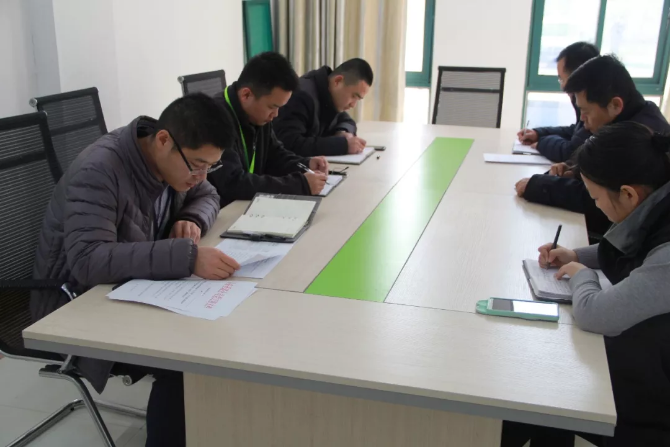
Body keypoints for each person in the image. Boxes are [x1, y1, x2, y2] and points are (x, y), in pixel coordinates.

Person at [31, 93, 241, 447]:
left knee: (222, 331)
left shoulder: (175, 162)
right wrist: (187, 257)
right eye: (197, 165)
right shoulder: (100, 170)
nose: (201, 176)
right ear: (163, 140)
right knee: (188, 360)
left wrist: (191, 218)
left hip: (129, 287)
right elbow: (88, 260)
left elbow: (209, 195)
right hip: (73, 303)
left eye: (210, 166)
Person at [504, 122, 670, 447]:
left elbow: (596, 314)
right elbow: (634, 248)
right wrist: (576, 255)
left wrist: (581, 273)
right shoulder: (658, 203)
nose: (595, 206)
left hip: (655, 402)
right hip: (651, 359)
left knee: (546, 383)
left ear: (628, 194)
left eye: (595, 197)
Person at [515, 55, 670, 238]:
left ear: (615, 105)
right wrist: (575, 169)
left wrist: (540, 186)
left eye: (586, 111)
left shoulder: (634, 137)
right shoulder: (636, 114)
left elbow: (603, 203)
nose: (581, 119)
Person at [208, 52, 329, 206]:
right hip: (224, 210)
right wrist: (299, 185)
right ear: (246, 95)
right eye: (272, 107)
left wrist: (305, 164)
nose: (276, 114)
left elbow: (274, 155)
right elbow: (232, 183)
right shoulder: (215, 119)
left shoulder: (257, 115)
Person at [516, 42, 599, 162]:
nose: (562, 87)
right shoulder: (587, 100)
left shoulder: (596, 104)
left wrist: (542, 143)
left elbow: (570, 151)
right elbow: (576, 131)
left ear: (576, 76)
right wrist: (538, 133)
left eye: (562, 79)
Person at [273, 58, 373, 156]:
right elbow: (291, 144)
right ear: (337, 81)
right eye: (354, 96)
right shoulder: (302, 96)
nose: (353, 105)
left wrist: (343, 132)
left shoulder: (331, 94)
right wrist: (343, 145)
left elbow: (347, 120)